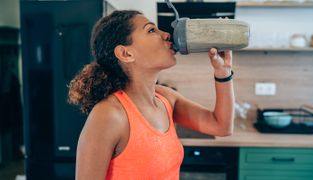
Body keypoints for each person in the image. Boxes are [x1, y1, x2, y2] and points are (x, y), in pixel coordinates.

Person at [68, 10, 234, 180]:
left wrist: (223, 72)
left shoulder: (166, 99)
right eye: (151, 30)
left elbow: (221, 126)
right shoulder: (109, 115)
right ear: (126, 54)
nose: (167, 35)